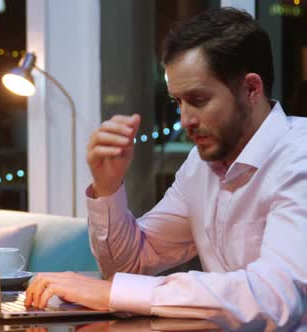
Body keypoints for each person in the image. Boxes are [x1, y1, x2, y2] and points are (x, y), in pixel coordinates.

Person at [24, 7, 307, 330]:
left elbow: (274, 298)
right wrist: (109, 186)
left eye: (198, 100)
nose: (185, 120)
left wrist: (113, 293)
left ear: (251, 89)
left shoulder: (300, 156)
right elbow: (129, 266)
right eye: (178, 103)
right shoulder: (201, 166)